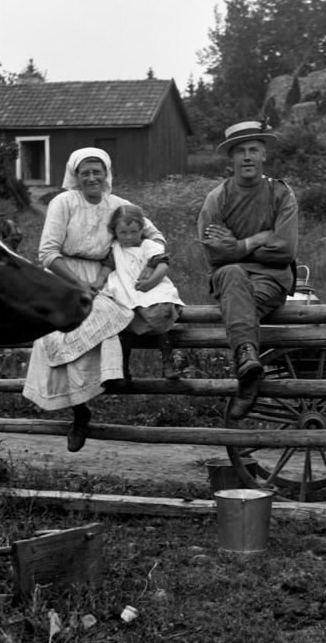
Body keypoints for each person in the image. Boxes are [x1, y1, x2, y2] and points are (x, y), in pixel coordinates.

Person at [23, 147, 165, 452]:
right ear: (75, 175)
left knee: (108, 315)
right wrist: (80, 284)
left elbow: (156, 237)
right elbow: (47, 253)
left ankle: (113, 375)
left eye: (96, 171)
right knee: (61, 330)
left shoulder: (119, 205)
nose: (91, 178)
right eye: (84, 172)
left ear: (106, 174)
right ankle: (79, 410)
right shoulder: (64, 202)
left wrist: (150, 265)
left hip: (106, 274)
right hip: (64, 276)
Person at [197, 121, 298, 420]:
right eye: (240, 151)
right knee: (231, 274)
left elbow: (284, 250)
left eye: (254, 150)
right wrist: (255, 240)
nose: (247, 157)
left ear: (264, 154)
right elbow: (214, 255)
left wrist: (235, 248)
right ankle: (248, 365)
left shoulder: (281, 194)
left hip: (271, 279)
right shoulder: (217, 198)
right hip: (229, 279)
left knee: (235, 280)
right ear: (231, 159)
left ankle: (246, 369)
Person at [98, 204, 185, 380]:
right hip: (125, 289)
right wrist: (97, 283)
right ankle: (123, 367)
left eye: (133, 231)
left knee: (160, 312)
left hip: (150, 287)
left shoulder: (148, 246)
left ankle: (167, 361)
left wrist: (151, 282)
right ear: (114, 231)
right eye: (123, 232)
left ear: (142, 230)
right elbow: (107, 268)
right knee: (123, 318)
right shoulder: (115, 248)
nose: (129, 237)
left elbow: (163, 265)